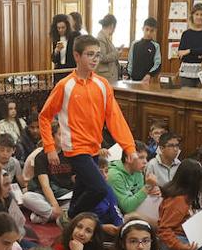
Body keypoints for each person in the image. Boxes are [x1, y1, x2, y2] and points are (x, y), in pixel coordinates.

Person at [39, 34, 137, 218]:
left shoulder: (103, 84)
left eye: (98, 55)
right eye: (90, 54)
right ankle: (72, 216)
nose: (95, 59)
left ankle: (70, 221)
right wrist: (50, 147)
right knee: (99, 189)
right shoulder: (64, 85)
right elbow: (44, 117)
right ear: (77, 56)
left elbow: (115, 117)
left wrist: (129, 147)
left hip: (94, 147)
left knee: (82, 189)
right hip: (75, 148)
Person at [107, 144, 161, 219]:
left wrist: (151, 192)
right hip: (117, 218)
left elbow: (139, 197)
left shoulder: (137, 172)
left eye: (146, 158)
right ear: (127, 158)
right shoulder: (114, 175)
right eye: (141, 158)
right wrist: (147, 187)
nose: (145, 162)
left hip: (134, 214)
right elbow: (127, 208)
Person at [176, 3, 202, 88]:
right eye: (196, 14)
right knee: (186, 98)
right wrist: (200, 54)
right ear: (192, 16)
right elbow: (181, 55)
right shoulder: (186, 33)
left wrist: (189, 51)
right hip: (187, 71)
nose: (199, 17)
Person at [125, 17, 161, 82]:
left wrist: (149, 74)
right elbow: (130, 62)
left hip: (147, 81)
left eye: (151, 30)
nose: (148, 33)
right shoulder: (134, 44)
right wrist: (127, 74)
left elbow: (157, 64)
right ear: (143, 28)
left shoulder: (156, 46)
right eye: (147, 29)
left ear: (155, 31)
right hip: (133, 80)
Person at [93, 14, 121, 82]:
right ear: (112, 25)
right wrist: (117, 53)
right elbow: (102, 57)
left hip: (108, 75)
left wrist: (117, 50)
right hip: (105, 76)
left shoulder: (105, 37)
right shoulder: (101, 38)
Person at [49, 14, 76, 79]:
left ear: (67, 27)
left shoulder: (74, 37)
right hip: (59, 71)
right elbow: (54, 60)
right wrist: (56, 51)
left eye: (63, 27)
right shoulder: (56, 39)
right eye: (58, 28)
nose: (61, 30)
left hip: (71, 71)